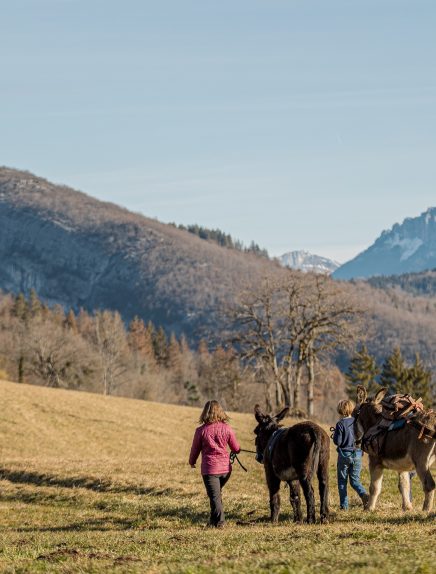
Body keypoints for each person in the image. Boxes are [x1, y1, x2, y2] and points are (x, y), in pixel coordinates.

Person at [189, 400, 241, 528]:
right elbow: (236, 448)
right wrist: (237, 450)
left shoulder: (201, 431)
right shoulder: (227, 428)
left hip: (210, 470)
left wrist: (192, 461)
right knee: (215, 496)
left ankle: (220, 522)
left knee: (214, 497)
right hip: (226, 470)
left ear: (205, 413)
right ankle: (212, 522)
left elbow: (195, 449)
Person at [333, 399, 369, 510]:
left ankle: (344, 506)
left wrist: (335, 435)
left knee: (342, 482)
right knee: (355, 481)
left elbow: (338, 442)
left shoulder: (340, 424)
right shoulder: (357, 422)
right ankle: (364, 495)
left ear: (340, 410)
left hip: (344, 455)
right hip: (357, 454)